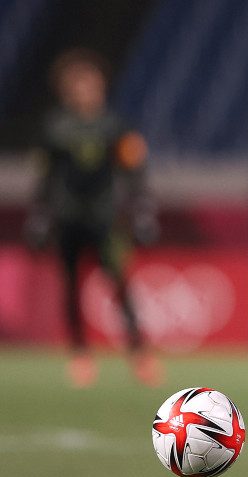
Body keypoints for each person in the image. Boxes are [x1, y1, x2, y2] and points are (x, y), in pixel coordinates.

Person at [24, 48, 162, 388]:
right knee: (71, 287)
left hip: (105, 218)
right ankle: (80, 354)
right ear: (68, 89)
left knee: (119, 283)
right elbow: (45, 175)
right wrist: (40, 215)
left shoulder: (114, 126)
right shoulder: (56, 128)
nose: (86, 90)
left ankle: (138, 352)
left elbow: (134, 170)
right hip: (68, 217)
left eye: (91, 83)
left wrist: (142, 209)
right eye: (79, 85)